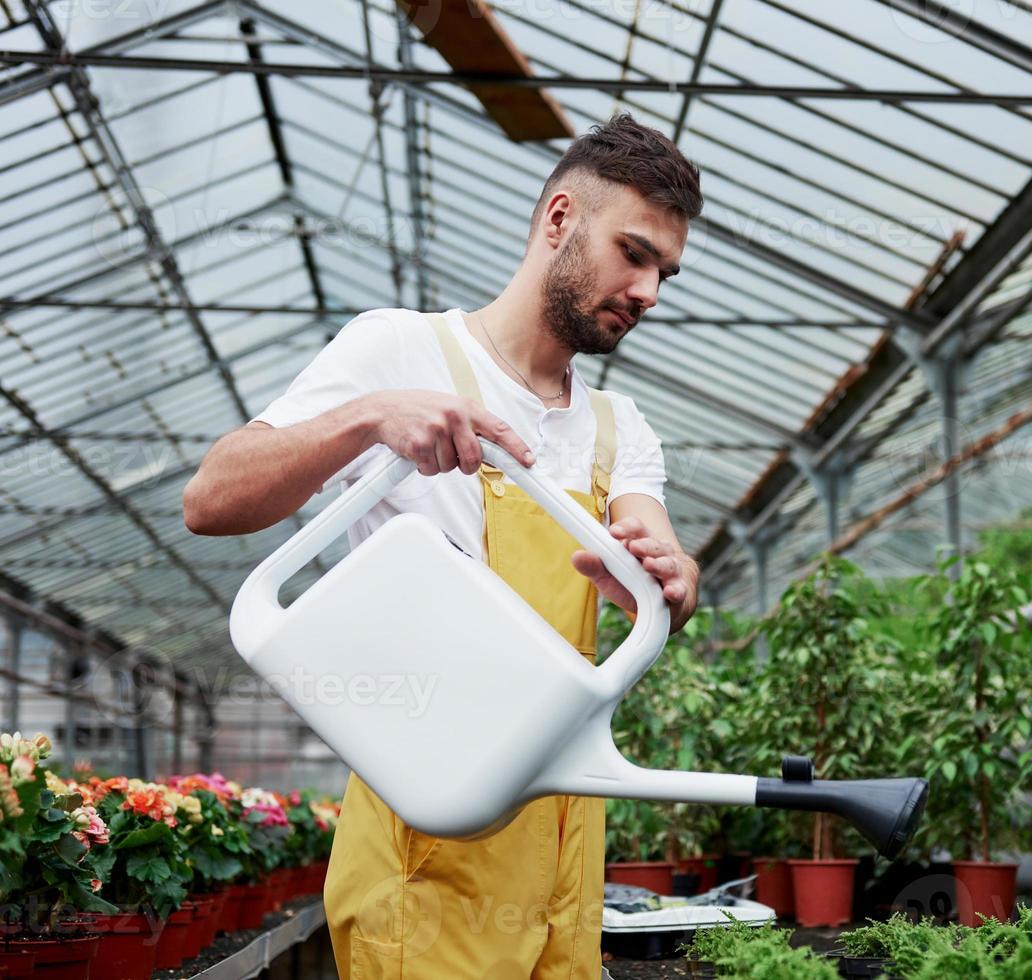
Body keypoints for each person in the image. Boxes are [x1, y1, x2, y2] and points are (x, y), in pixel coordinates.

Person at [183, 113, 702, 978]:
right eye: (635, 253)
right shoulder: (400, 348)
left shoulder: (620, 428)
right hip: (430, 815)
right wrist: (368, 418)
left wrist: (671, 582)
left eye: (666, 273)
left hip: (566, 831)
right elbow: (211, 499)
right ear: (560, 219)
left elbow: (660, 563)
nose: (649, 291)